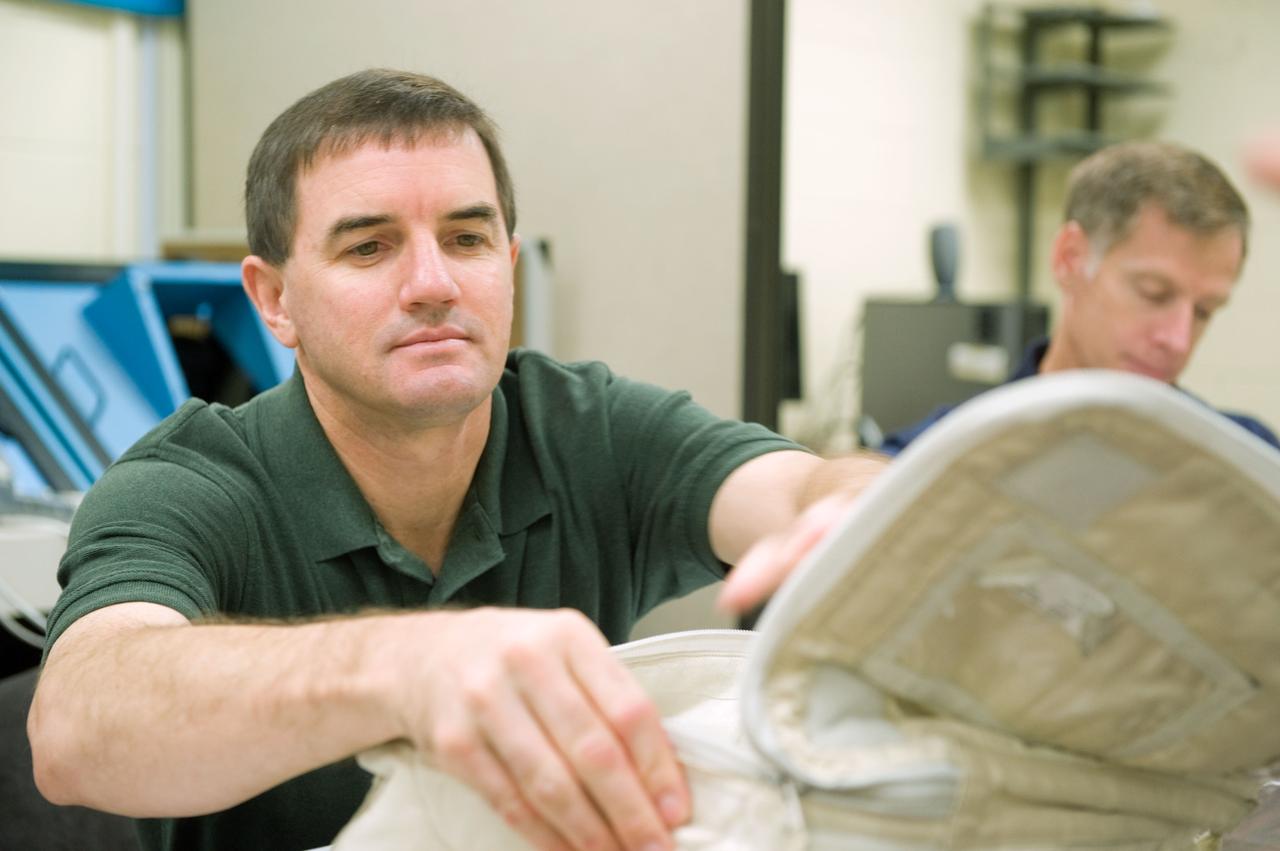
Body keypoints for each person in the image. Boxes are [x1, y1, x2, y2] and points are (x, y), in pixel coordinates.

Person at [25, 69, 884, 851]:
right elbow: (76, 727)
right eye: (369, 247)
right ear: (275, 299)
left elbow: (804, 487)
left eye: (468, 239)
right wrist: (406, 666)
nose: (433, 282)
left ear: (508, 267)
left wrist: (869, 503)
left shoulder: (585, 426)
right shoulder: (191, 480)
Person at [880, 140, 1279, 455]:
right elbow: (854, 478)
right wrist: (848, 480)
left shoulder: (1244, 454)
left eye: (1204, 311)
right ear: (1070, 258)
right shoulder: (949, 451)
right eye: (1154, 294)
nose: (1177, 340)